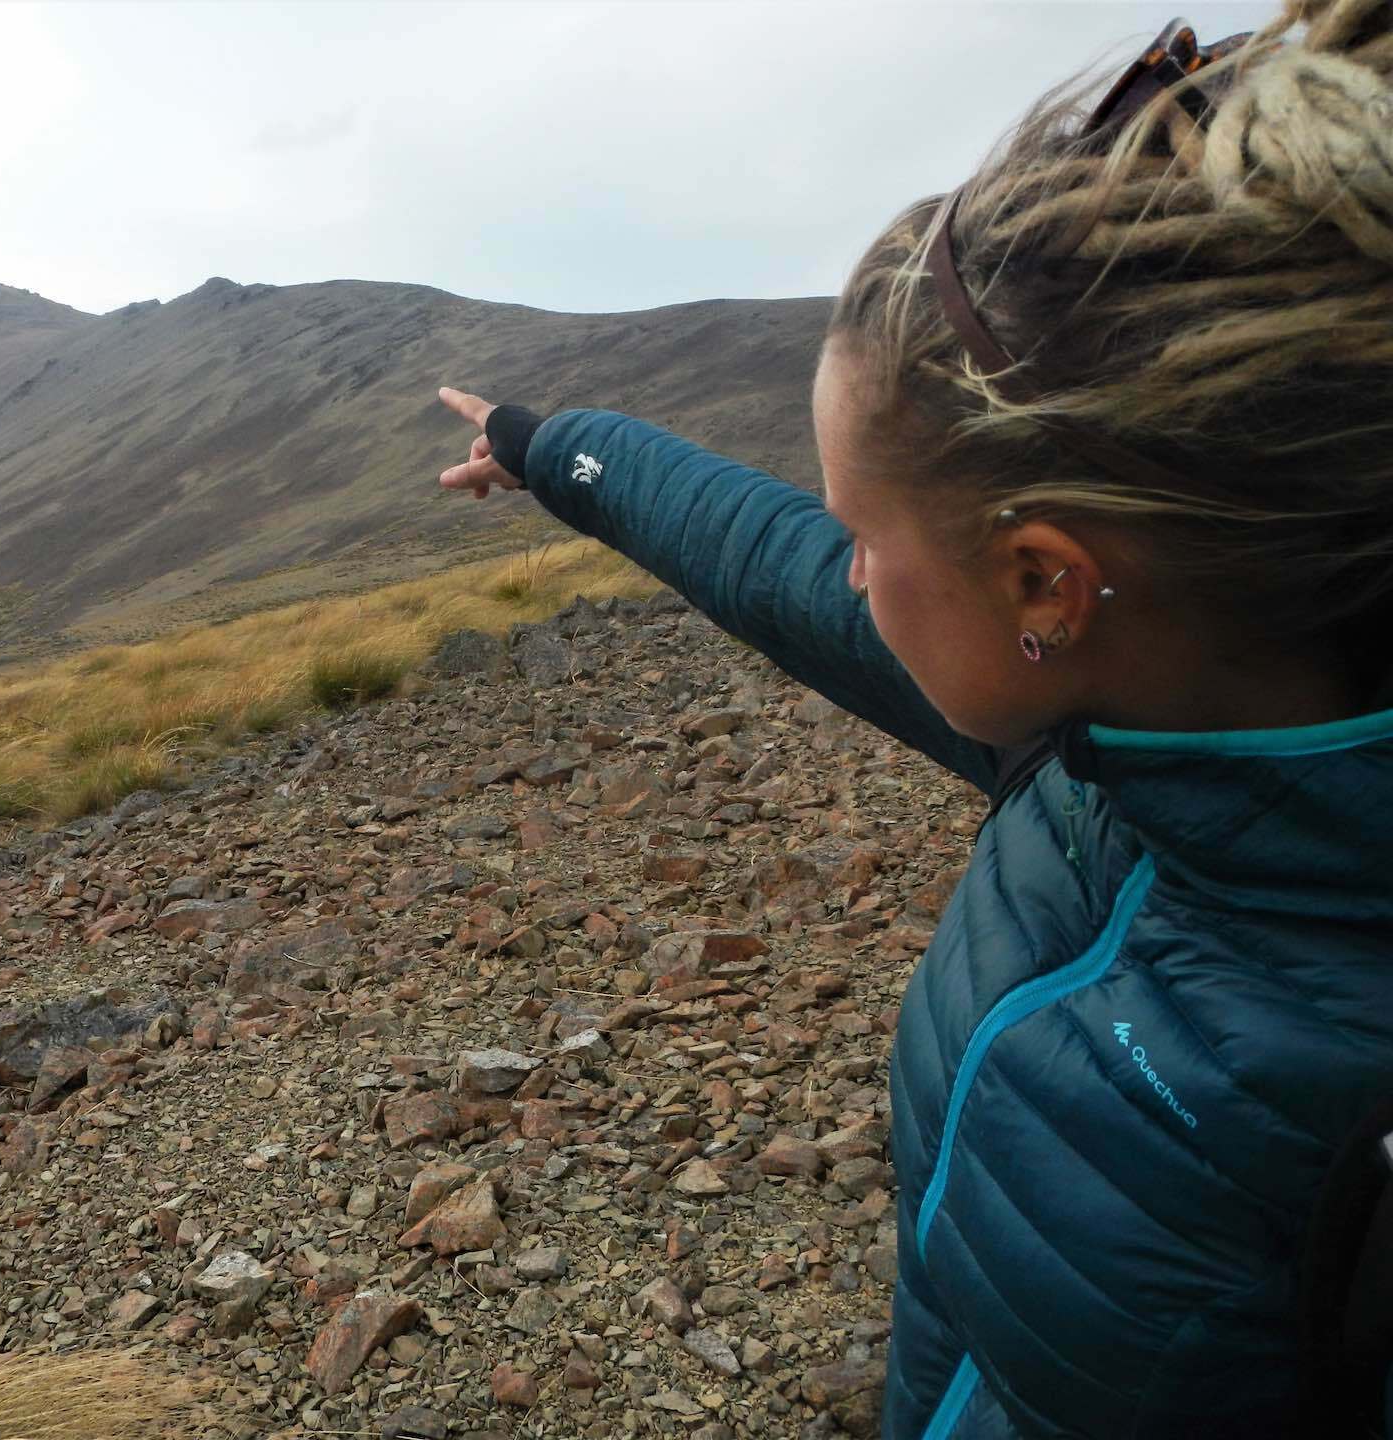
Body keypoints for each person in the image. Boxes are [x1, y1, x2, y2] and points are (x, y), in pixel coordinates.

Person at [435, 2, 1393, 1435]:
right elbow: (769, 563)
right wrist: (550, 448)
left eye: (869, 538)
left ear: (1044, 582)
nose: (853, 576)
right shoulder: (1119, 730)